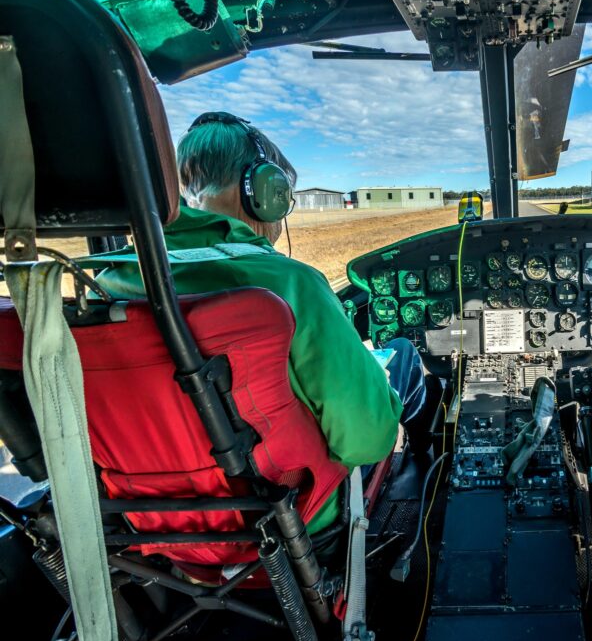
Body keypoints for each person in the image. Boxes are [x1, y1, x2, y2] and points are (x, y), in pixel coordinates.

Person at [95, 112, 433, 534]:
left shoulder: (106, 285)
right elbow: (367, 442)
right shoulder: (289, 285)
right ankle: (422, 471)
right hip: (297, 515)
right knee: (402, 355)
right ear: (266, 192)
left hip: (158, 524)